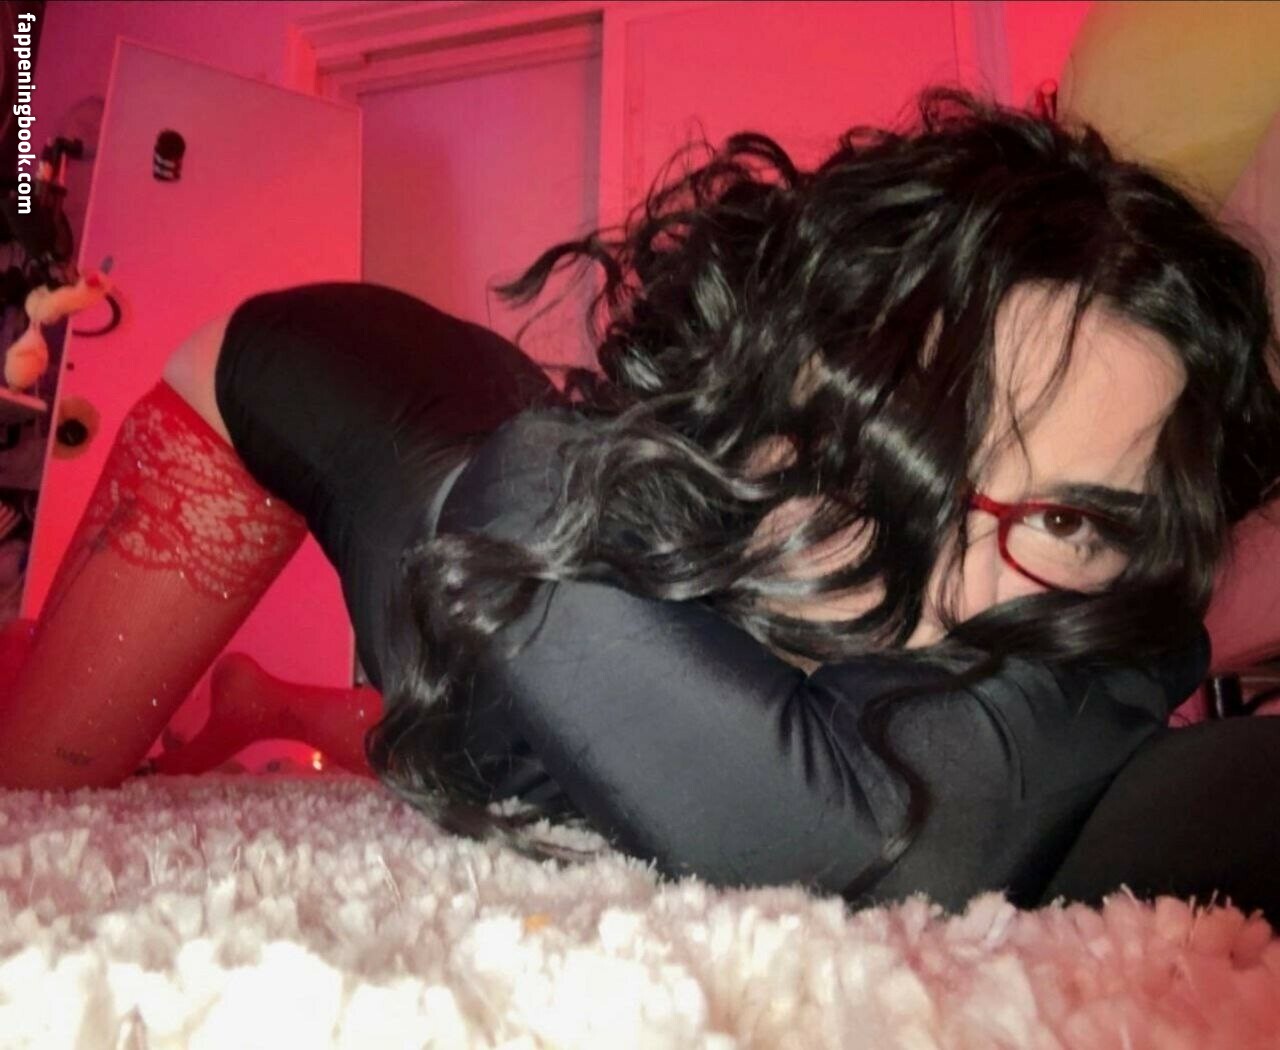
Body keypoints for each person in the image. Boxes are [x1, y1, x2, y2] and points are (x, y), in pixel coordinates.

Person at [1, 87, 1278, 917]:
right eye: (907, 460)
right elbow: (869, 838)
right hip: (290, 378)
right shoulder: (555, 535)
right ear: (785, 399)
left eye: (1067, 519)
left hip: (490, 441)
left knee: (540, 748)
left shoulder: (1077, 581)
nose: (961, 603)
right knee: (32, 809)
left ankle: (270, 705)